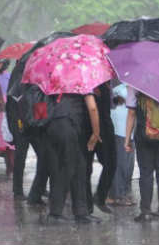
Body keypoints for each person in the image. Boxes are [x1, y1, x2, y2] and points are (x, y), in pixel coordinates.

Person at [44, 93, 101, 224]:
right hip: (67, 125)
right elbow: (92, 107)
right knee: (67, 168)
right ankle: (55, 214)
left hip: (52, 125)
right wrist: (96, 133)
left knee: (79, 166)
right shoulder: (81, 79)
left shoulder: (55, 79)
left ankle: (81, 212)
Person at [125, 86, 159, 222]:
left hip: (144, 133)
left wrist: (127, 139)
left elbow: (131, 113)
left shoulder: (135, 83)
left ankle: (146, 211)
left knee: (146, 173)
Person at [84, 82, 117, 214]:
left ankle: (98, 197)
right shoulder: (83, 83)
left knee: (110, 163)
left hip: (103, 127)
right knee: (86, 168)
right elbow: (92, 108)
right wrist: (96, 133)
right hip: (89, 128)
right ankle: (88, 205)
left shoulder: (104, 83)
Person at [107, 84, 135, 206]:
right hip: (121, 129)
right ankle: (117, 195)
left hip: (126, 129)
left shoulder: (128, 86)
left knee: (127, 164)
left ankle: (122, 193)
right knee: (121, 163)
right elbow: (131, 112)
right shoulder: (122, 87)